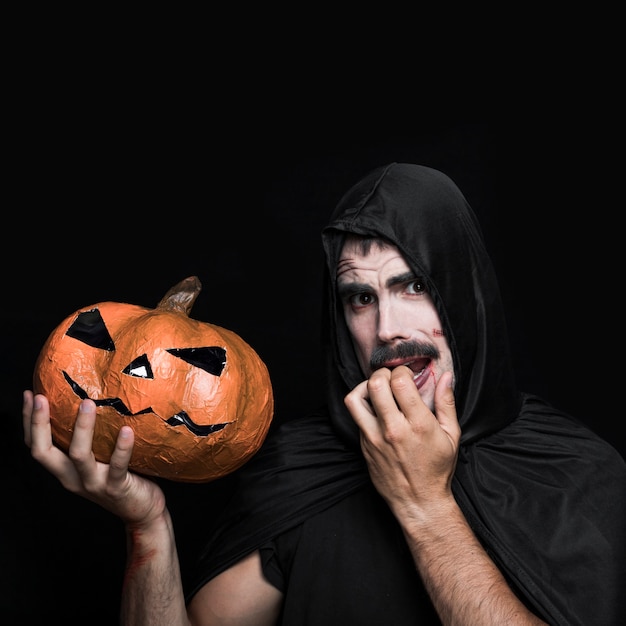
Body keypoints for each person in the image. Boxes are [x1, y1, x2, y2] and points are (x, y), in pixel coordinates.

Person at [23, 163, 626, 625]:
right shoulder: (303, 470)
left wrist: (424, 504)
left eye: (412, 284)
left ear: (465, 297)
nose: (387, 328)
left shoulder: (578, 471)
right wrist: (146, 525)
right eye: (360, 298)